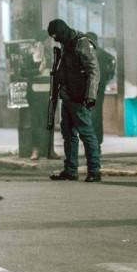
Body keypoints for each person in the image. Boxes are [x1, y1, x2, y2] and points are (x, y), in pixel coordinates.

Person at [46, 19, 101, 182]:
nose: (55, 39)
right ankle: (70, 170)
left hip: (80, 96)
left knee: (86, 134)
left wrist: (91, 95)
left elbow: (93, 70)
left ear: (62, 31)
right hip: (68, 95)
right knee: (68, 134)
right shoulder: (66, 43)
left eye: (55, 35)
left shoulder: (82, 43)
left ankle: (94, 171)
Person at [28, 36, 60, 160]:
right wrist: (38, 69)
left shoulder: (53, 55)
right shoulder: (33, 55)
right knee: (36, 123)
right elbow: (24, 72)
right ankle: (35, 150)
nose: (50, 42)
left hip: (50, 93)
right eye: (47, 40)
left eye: (50, 40)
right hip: (36, 94)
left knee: (49, 123)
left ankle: (50, 150)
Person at [85, 32, 115, 145]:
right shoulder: (101, 53)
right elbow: (113, 61)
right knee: (96, 113)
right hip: (97, 86)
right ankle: (96, 139)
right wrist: (109, 76)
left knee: (92, 114)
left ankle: (93, 139)